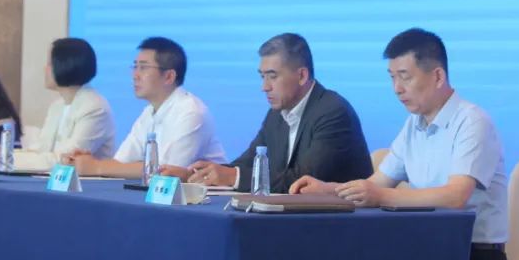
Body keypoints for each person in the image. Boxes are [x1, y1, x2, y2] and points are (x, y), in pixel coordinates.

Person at [290, 28, 509, 260]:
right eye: (392, 78)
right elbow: (377, 184)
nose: (397, 88)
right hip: (425, 251)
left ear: (438, 76)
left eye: (405, 77)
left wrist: (381, 197)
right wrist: (328, 190)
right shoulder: (414, 125)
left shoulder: (472, 122)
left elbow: (455, 197)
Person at [187, 32, 372, 192]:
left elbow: (302, 181)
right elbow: (247, 163)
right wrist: (196, 175)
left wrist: (233, 177)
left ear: (302, 76)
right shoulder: (276, 114)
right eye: (262, 77)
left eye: (272, 76)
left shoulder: (333, 112)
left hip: (341, 218)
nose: (264, 87)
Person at [63, 36, 225, 179]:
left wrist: (96, 167)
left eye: (143, 67)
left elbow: (165, 171)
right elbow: (121, 162)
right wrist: (86, 162)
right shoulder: (149, 112)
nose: (135, 75)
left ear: (169, 76)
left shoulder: (191, 112)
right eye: (135, 66)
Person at [25, 37, 116, 169]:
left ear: (65, 65)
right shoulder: (57, 106)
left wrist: (8, 160)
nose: (44, 69)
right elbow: (40, 149)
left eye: (50, 63)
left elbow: (64, 159)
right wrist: (3, 155)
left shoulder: (95, 107)